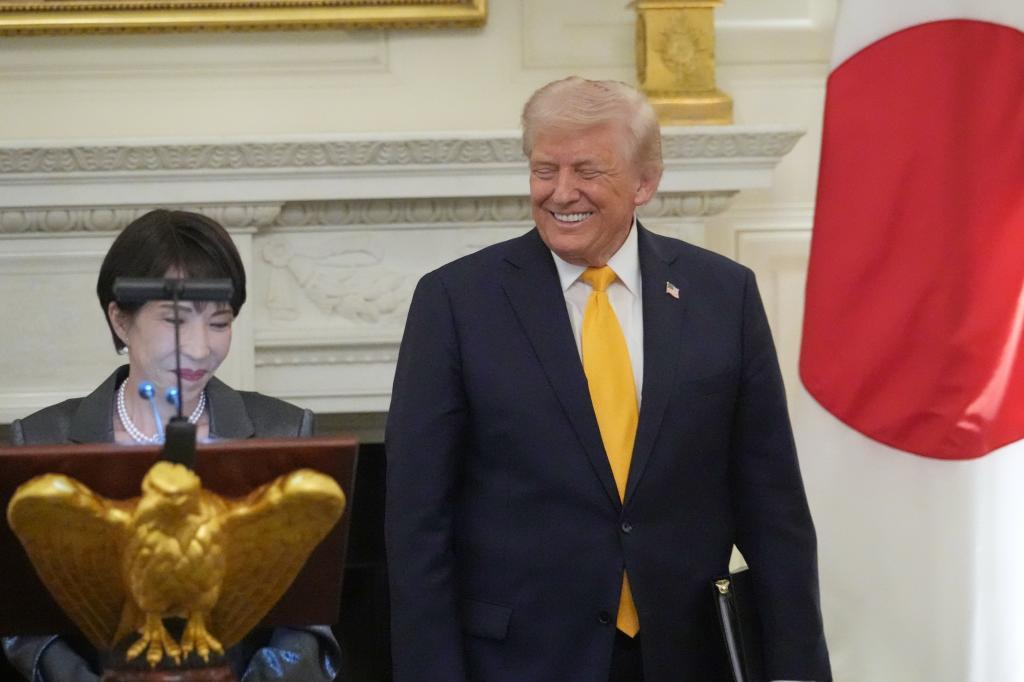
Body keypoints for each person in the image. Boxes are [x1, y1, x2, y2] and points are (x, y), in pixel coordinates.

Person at [385, 77, 831, 682]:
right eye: (545, 170)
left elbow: (773, 509)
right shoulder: (456, 302)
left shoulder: (724, 296)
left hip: (686, 656)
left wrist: (798, 669)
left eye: (587, 171)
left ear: (645, 182)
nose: (561, 192)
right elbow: (416, 522)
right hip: (519, 661)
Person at [2, 209, 341, 681]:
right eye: (176, 320)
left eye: (219, 322)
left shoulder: (283, 430)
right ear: (121, 320)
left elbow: (305, 623)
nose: (200, 348)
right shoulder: (42, 439)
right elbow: (25, 626)